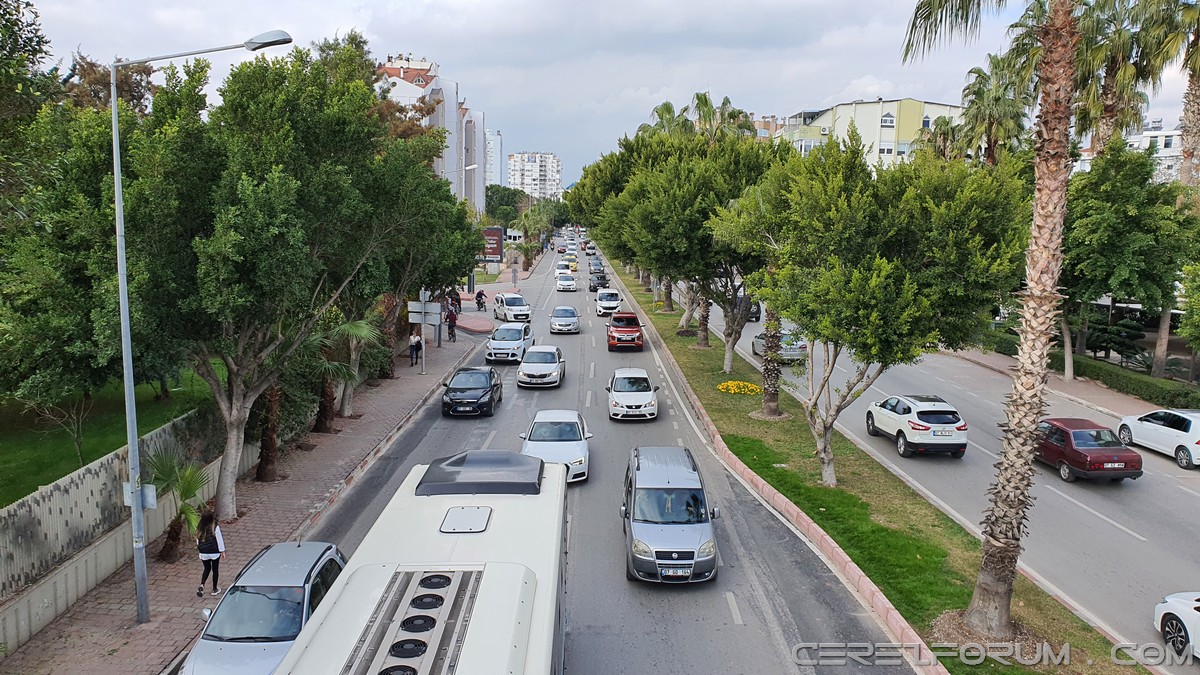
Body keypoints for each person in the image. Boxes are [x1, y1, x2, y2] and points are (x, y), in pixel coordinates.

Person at [196, 511, 226, 597]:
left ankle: (202, 585)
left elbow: (198, 540)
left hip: (203, 552)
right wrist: (222, 551)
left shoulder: (199, 527)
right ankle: (214, 589)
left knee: (206, 568)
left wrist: (200, 548)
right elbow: (219, 540)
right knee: (215, 570)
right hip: (214, 552)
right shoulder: (215, 527)